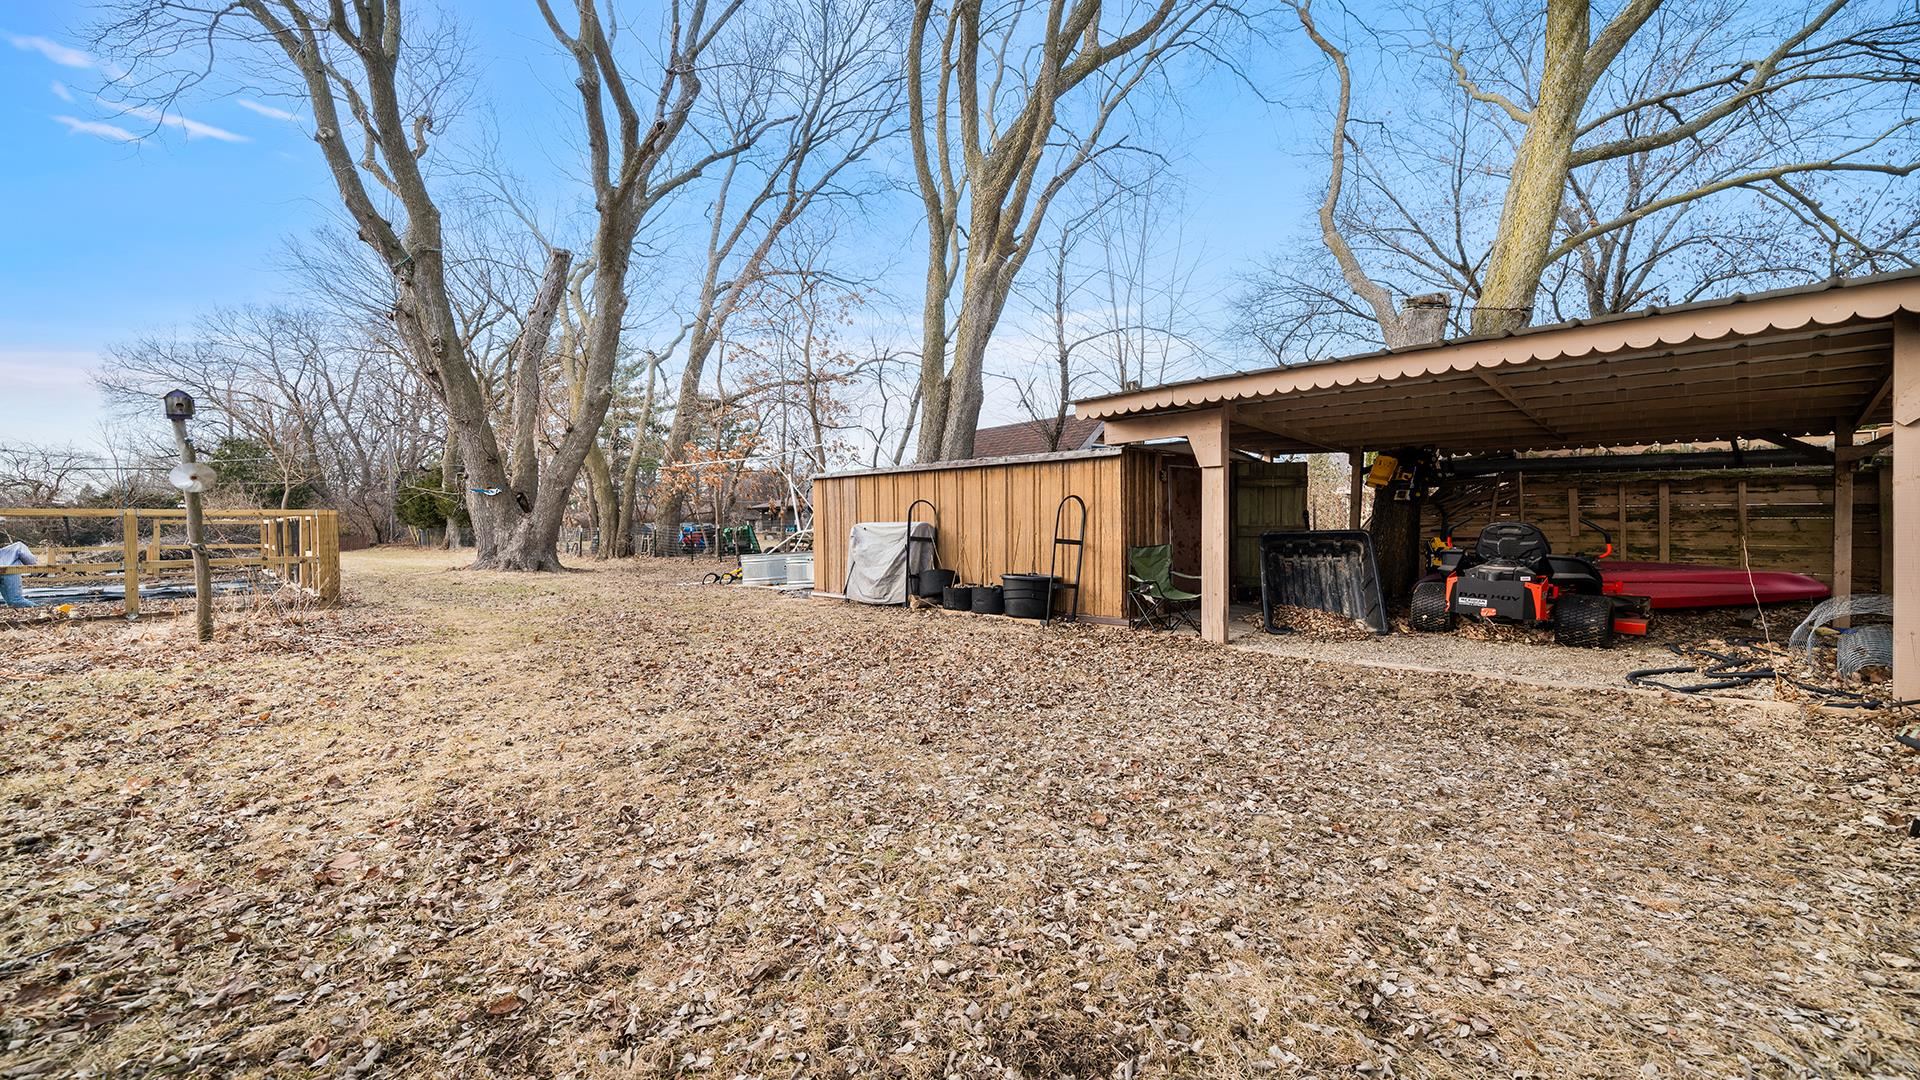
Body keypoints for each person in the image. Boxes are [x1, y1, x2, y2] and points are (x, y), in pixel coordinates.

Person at [0, 540, 38, 608]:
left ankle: (39, 609)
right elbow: (30, 560)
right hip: (10, 569)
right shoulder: (18, 547)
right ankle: (39, 608)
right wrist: (35, 570)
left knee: (15, 601)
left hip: (9, 569)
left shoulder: (16, 548)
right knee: (15, 601)